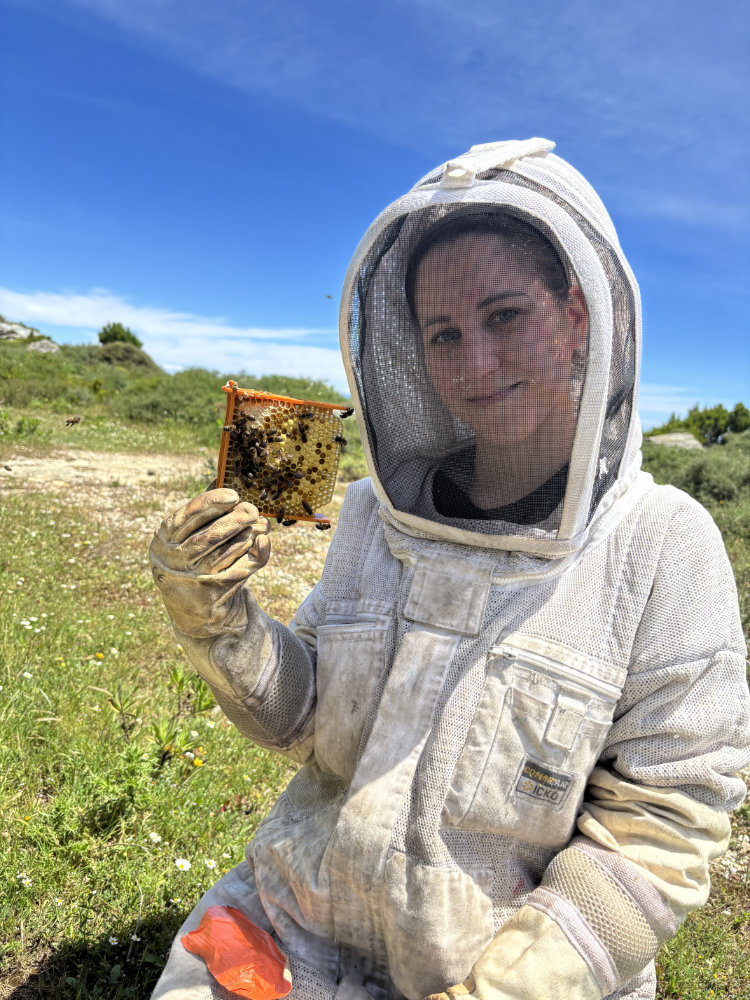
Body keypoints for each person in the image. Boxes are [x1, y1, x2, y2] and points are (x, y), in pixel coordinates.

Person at [148, 138, 750, 1000]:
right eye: (444, 334)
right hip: (297, 925)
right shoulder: (374, 513)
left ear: (579, 314)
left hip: (504, 973)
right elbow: (305, 721)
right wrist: (218, 621)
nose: (474, 365)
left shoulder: (664, 547)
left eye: (505, 316)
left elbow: (661, 825)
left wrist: (501, 989)